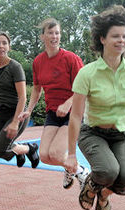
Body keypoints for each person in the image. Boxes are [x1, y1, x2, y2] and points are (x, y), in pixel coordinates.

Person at [65, 5, 125, 210]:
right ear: (102, 39)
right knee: (108, 171)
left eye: (124, 36)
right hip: (93, 132)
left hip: (120, 134)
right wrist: (71, 154)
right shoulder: (87, 73)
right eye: (115, 36)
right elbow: (76, 116)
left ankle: (103, 195)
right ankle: (91, 184)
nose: (121, 40)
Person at [18, 18, 89, 190]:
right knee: (44, 156)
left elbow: (85, 88)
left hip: (74, 111)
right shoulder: (38, 62)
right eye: (50, 33)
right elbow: (36, 89)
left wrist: (68, 103)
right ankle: (73, 168)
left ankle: (83, 173)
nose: (54, 36)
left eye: (57, 33)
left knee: (56, 153)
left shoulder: (71, 59)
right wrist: (29, 110)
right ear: (43, 36)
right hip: (52, 112)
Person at [0, 31, 40, 188]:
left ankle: (29, 148)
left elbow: (23, 97)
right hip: (1, 113)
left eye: (4, 43)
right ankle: (21, 151)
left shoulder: (15, 67)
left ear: (9, 46)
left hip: (16, 114)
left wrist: (15, 123)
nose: (1, 46)